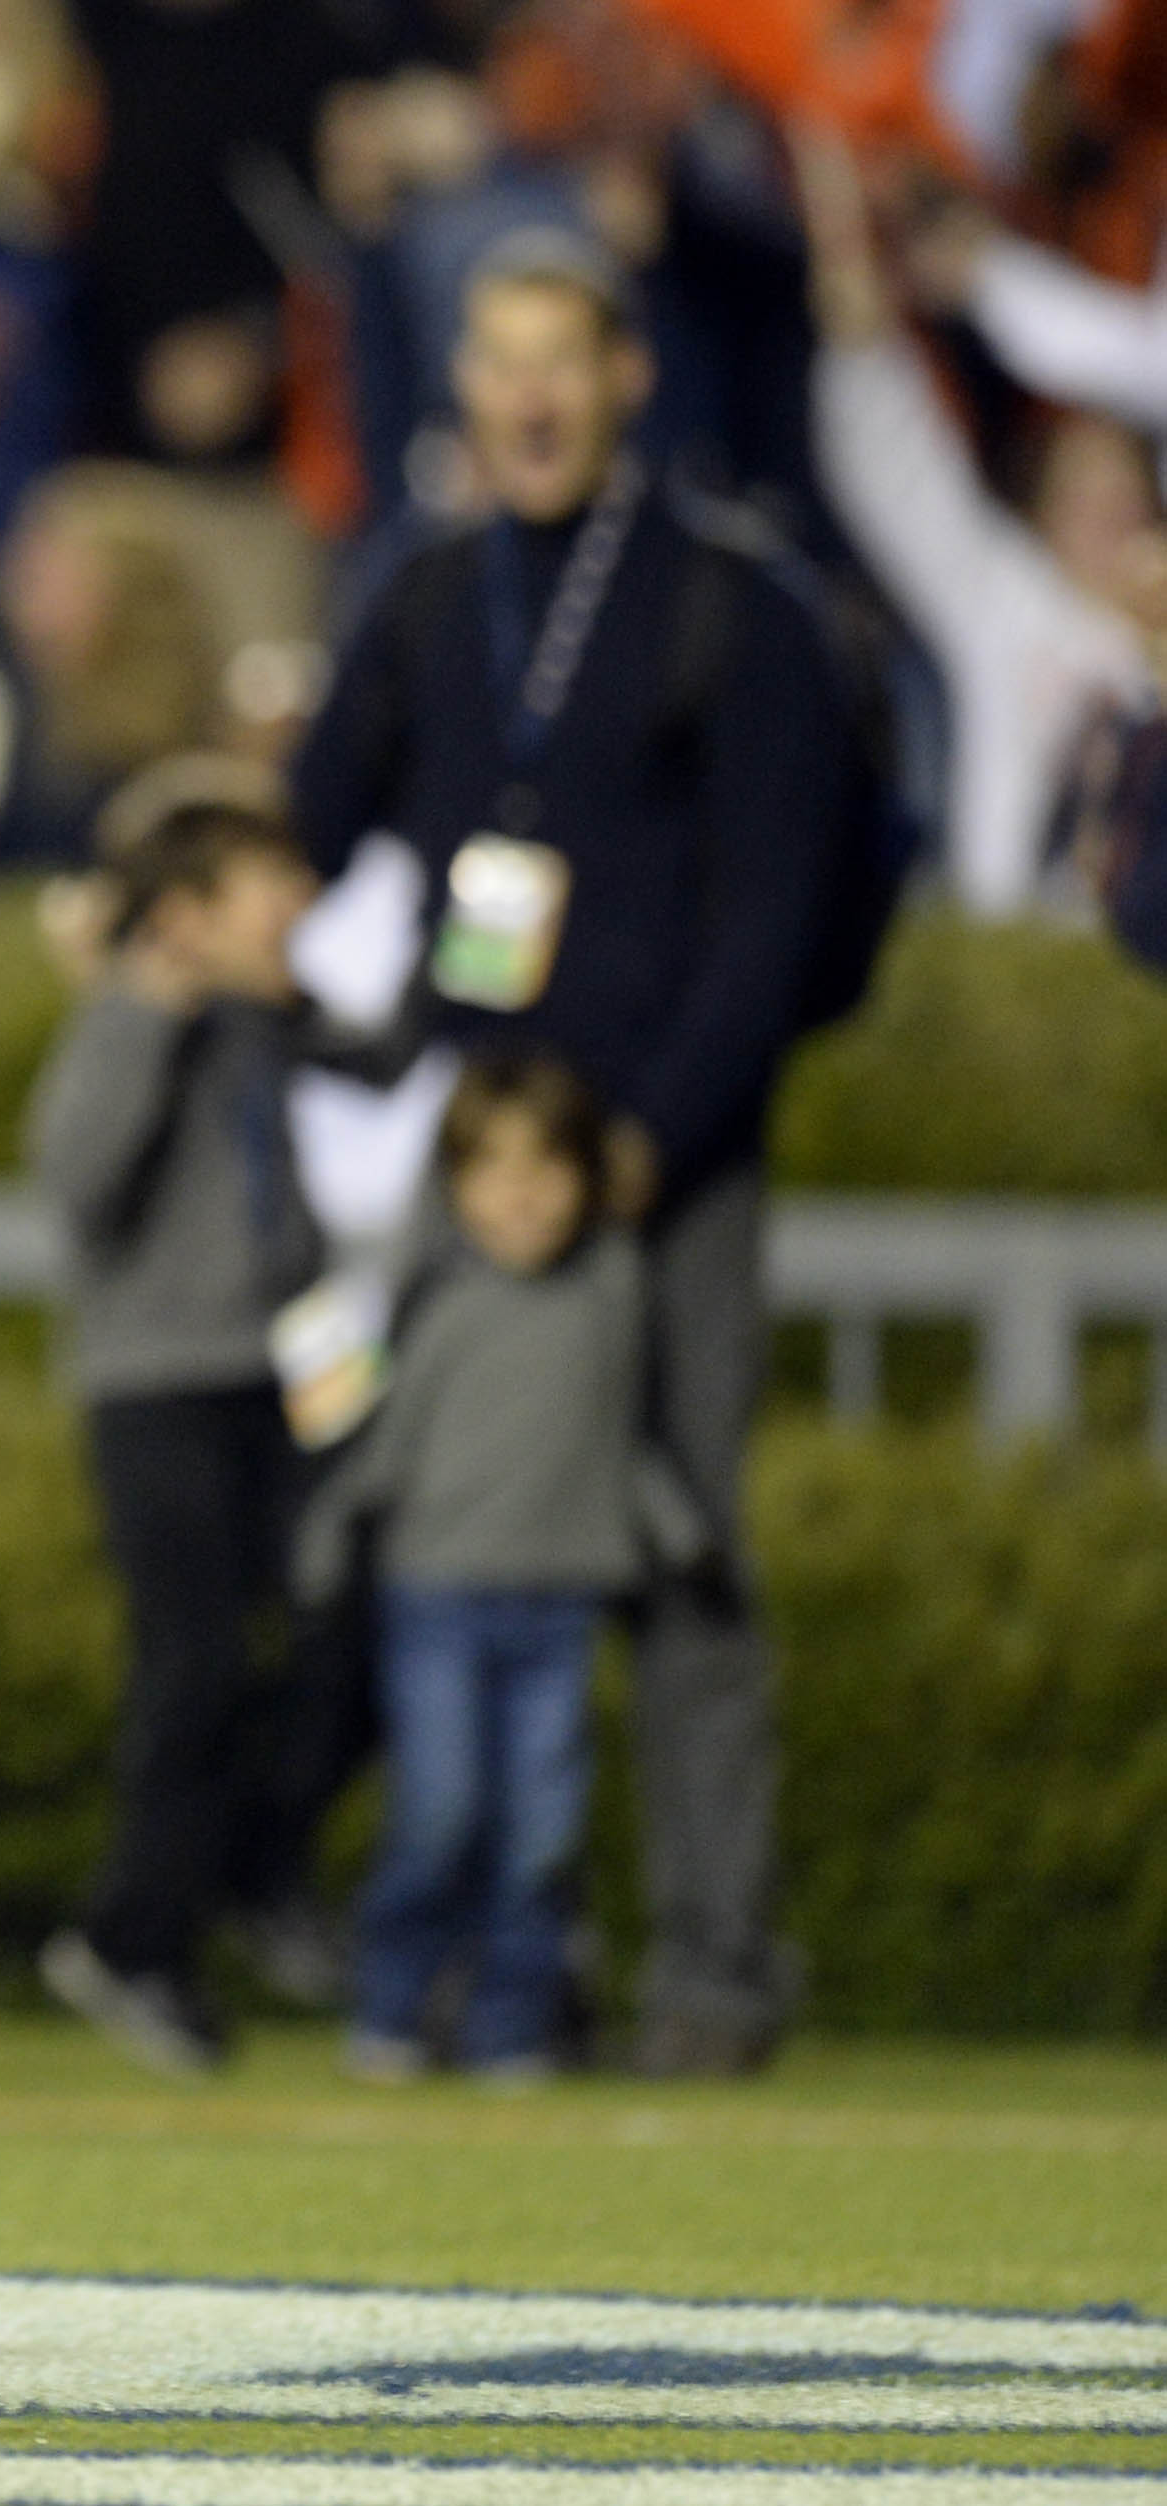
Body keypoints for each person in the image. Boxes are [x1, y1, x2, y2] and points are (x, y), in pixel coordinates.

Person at [288, 226, 882, 2076]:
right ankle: (479, 1971)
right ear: (460, 387)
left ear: (627, 379)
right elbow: (323, 818)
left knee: (682, 1568)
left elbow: (780, 922)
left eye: (564, 358)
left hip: (662, 1177)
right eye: (496, 360)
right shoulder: (427, 585)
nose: (530, 394)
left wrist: (654, 1134)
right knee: (454, 1575)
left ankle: (712, 1975)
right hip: (469, 1194)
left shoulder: (736, 602)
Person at [25, 769, 375, 2075]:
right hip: (158, 1378)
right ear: (183, 914)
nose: (296, 902)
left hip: (301, 1364)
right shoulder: (136, 1019)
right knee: (195, 1663)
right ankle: (136, 1939)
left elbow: (398, 1050)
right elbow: (79, 1182)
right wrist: (141, 1009)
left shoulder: (260, 1020)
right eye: (264, 884)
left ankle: (256, 1870)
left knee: (368, 1604)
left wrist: (485, 927)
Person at [301, 1049, 666, 2084]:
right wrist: (333, 1526)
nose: (520, 1190)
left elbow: (622, 1435)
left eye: (547, 1163)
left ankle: (513, 2023)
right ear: (451, 1181)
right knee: (439, 1812)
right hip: (438, 1594)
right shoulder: (422, 1293)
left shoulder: (612, 1285)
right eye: (492, 1164)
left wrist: (670, 1532)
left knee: (540, 1835)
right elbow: (378, 1437)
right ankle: (391, 2005)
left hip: (562, 1599)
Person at [790, 130, 1155, 919]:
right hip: (1011, 975)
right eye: (1084, 502)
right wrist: (855, 298)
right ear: (1041, 519)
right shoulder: (1012, 606)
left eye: (1127, 503)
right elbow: (897, 466)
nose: (1110, 522)